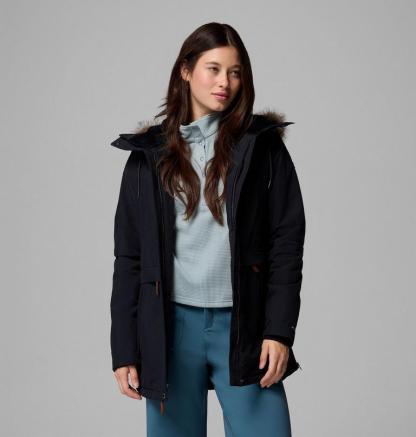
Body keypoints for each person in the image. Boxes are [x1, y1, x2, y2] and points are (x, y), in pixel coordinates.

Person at [110, 22, 306, 437]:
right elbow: (129, 257)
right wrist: (124, 349)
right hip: (171, 329)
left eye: (235, 72)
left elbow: (286, 243)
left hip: (244, 324)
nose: (225, 83)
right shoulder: (148, 156)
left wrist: (278, 330)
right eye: (213, 69)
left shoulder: (262, 147)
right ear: (186, 70)